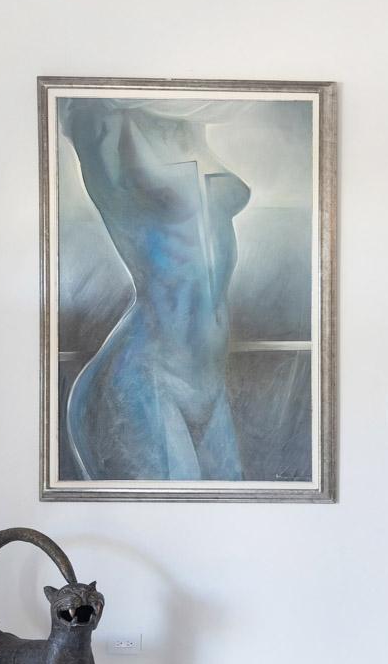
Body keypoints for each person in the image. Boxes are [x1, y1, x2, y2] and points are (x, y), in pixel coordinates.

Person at [60, 98, 248, 480]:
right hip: (144, 382)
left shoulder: (183, 123)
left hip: (208, 384)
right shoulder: (103, 126)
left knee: (233, 514)